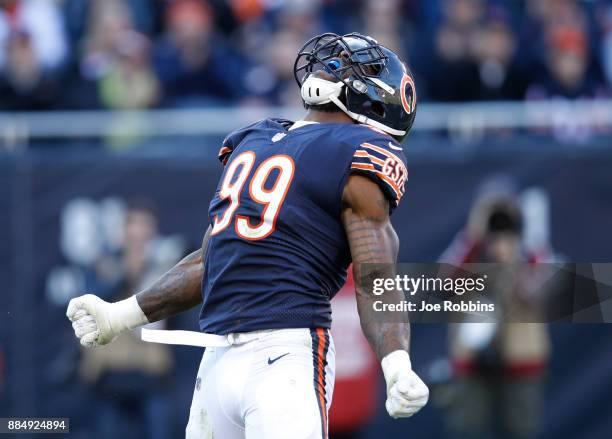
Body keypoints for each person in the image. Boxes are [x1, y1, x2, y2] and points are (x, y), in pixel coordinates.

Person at [67, 32, 429, 439]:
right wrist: (121, 315)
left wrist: (395, 363)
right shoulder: (277, 141)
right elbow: (214, 260)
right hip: (230, 356)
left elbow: (372, 274)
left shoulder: (261, 141)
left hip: (281, 354)